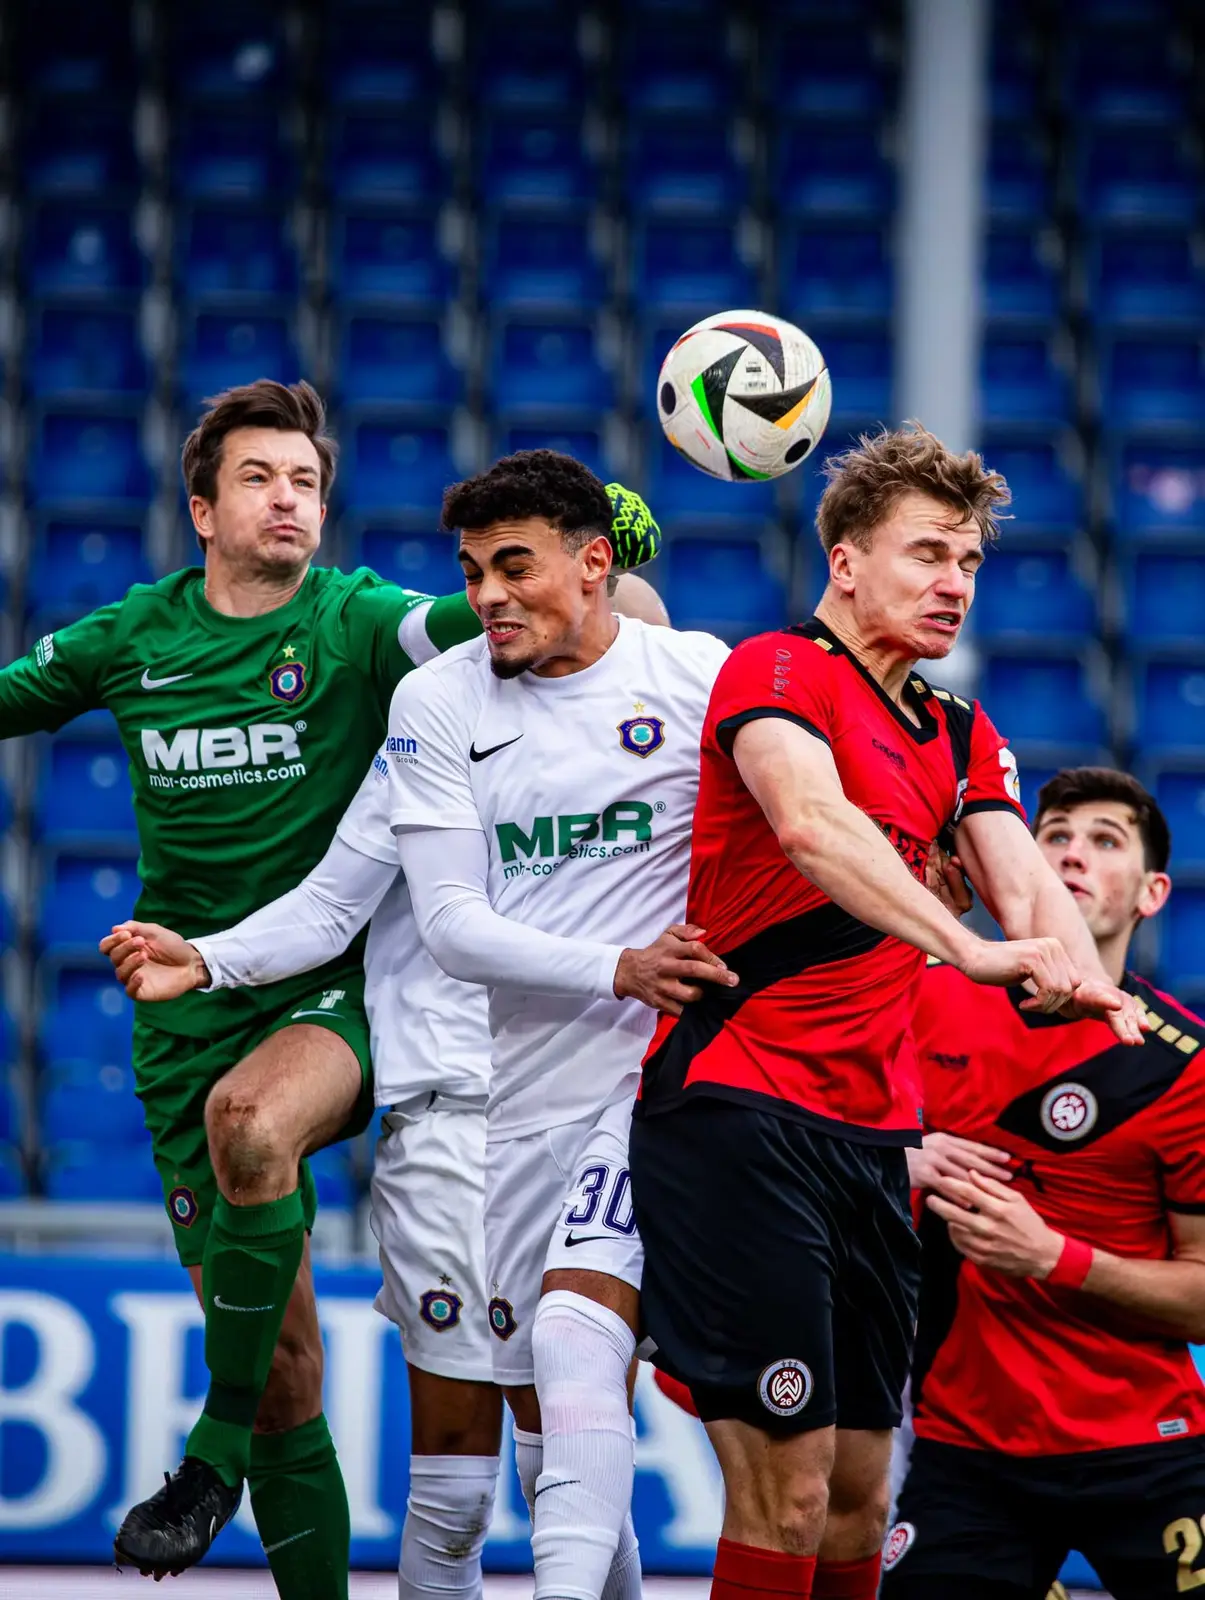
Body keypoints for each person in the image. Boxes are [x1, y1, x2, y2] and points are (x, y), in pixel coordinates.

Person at [626, 424, 1146, 1600]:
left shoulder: (958, 731)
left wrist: (1089, 984)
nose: (954, 583)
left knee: (862, 1491)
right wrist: (967, 945)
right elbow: (811, 826)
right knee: (787, 1488)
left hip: (871, 1141)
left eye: (967, 562)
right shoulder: (774, 670)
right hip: (739, 1107)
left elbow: (1025, 886)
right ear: (845, 561)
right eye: (926, 554)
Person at [98, 556, 668, 1600]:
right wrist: (210, 958)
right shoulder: (433, 716)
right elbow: (330, 905)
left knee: (564, 1461)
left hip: (600, 1115)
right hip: (446, 1115)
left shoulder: (662, 724)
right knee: (452, 1495)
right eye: (482, 575)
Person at [0, 379, 483, 1589]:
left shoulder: (357, 619)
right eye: (259, 478)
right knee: (281, 1373)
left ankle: (205, 1458)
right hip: (182, 1010)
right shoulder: (133, 637)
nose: (288, 499)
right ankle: (246, 1452)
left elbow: (490, 616)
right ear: (203, 510)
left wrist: (592, 559)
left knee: (253, 1119)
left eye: (306, 481)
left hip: (324, 990)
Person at [381, 448, 734, 1600]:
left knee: (573, 1343)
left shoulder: (697, 675)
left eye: (513, 565)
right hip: (524, 1097)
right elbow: (449, 924)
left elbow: (799, 818)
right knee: (553, 1450)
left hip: (669, 1085)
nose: (487, 594)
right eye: (472, 570)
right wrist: (617, 965)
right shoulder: (438, 700)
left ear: (593, 564)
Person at [883, 767, 1205, 1600]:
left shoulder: (1185, 1068)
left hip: (1150, 1447)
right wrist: (898, 1157)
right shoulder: (917, 1003)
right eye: (1052, 836)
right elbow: (799, 1141)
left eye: (1104, 841)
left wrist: (1053, 1258)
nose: (1070, 855)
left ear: (1152, 893)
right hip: (965, 1455)